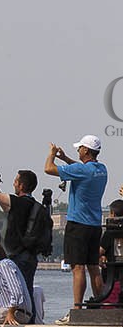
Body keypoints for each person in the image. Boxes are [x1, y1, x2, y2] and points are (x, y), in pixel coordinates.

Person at [48, 135, 108, 316]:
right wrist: (65, 158)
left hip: (78, 224)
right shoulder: (101, 169)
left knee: (77, 267)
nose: (78, 151)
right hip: (95, 225)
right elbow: (81, 169)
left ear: (86, 151)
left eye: (80, 148)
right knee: (93, 267)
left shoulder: (81, 171)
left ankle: (76, 307)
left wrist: (52, 155)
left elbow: (48, 169)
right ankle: (101, 305)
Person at [0, 169, 43, 294]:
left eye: (15, 181)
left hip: (19, 255)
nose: (13, 184)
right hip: (30, 256)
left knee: (16, 290)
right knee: (26, 289)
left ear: (21, 185)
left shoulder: (19, 202)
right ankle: (29, 313)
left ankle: (20, 312)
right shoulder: (33, 204)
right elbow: (6, 208)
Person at [0, 242, 31, 326]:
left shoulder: (4, 265)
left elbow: (17, 292)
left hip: (18, 312)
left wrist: (10, 313)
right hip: (11, 310)